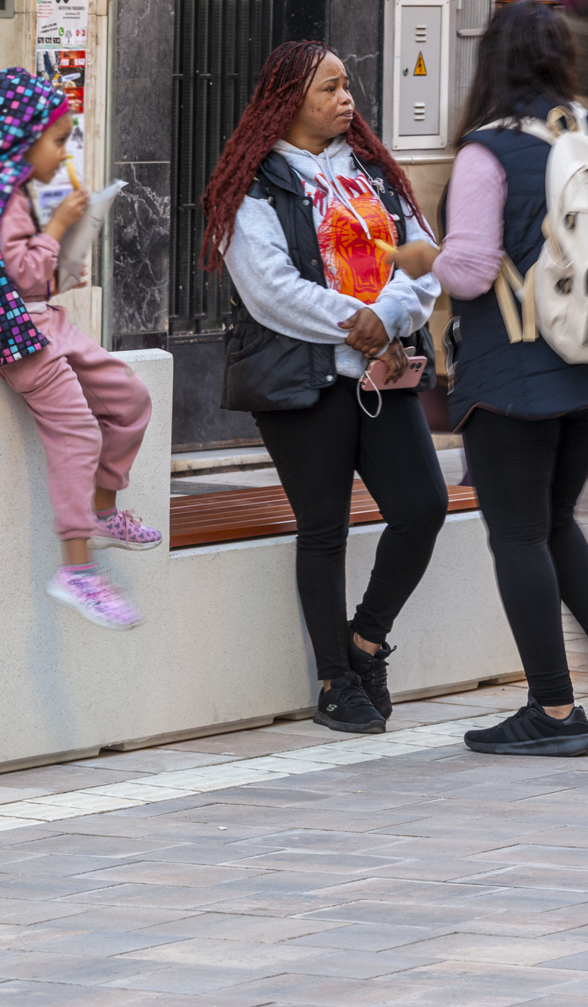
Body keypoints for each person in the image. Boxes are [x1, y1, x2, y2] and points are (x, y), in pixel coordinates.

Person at [388, 1, 588, 756]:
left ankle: (555, 711)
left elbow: (470, 271)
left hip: (516, 376)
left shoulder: (488, 151)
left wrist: (421, 259)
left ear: (490, 62)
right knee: (557, 522)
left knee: (520, 535)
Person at [204, 41, 448, 735]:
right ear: (290, 101)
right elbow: (269, 289)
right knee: (324, 528)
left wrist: (387, 318)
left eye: (347, 87)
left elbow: (423, 258)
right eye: (330, 89)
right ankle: (335, 682)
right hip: (301, 377)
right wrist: (357, 324)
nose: (347, 100)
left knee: (422, 507)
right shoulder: (253, 183)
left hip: (382, 372)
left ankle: (365, 642)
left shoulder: (373, 169)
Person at [0, 67, 159, 630]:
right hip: (20, 341)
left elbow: (12, 276)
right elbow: (17, 273)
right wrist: (58, 227)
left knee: (130, 397)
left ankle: (104, 510)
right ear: (21, 139)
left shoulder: (5, 195)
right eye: (58, 141)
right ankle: (77, 568)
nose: (64, 155)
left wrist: (59, 270)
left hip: (41, 322)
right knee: (79, 432)